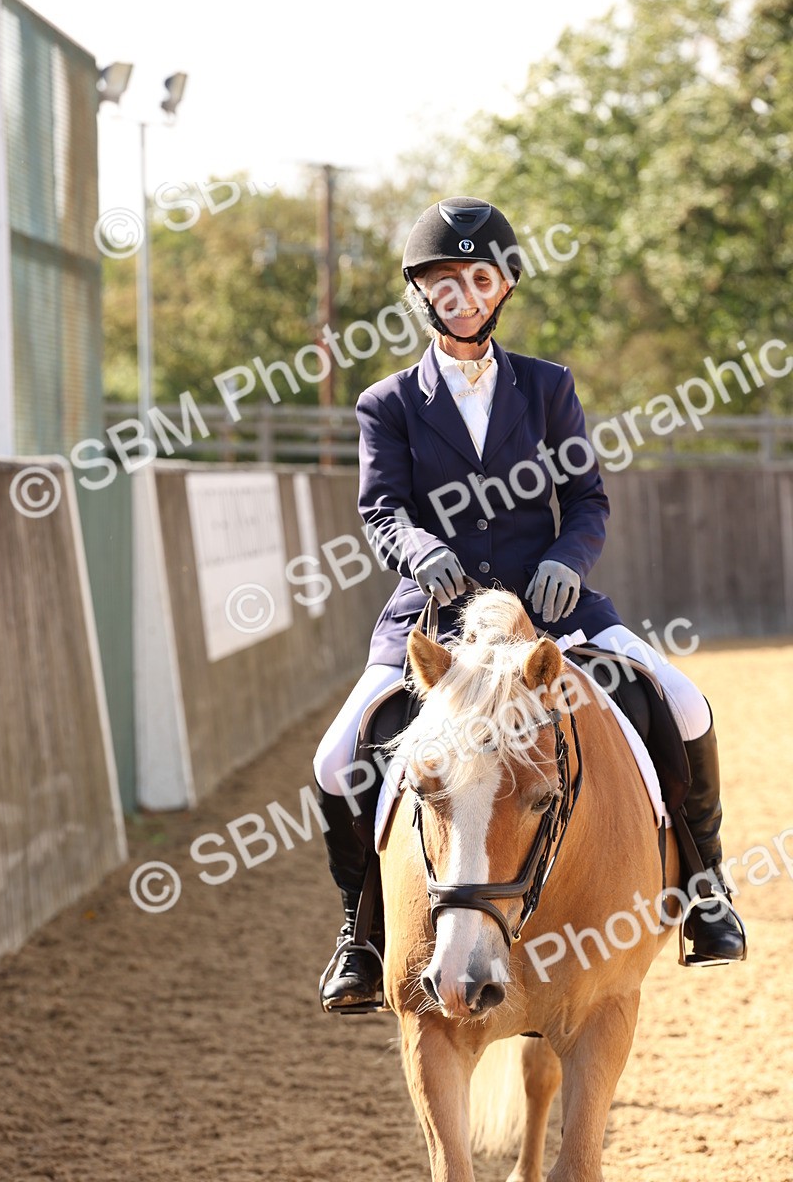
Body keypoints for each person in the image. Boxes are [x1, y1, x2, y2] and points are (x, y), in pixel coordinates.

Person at [314, 196, 744, 1010]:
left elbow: (587, 498)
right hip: (432, 623)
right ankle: (360, 935)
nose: (465, 295)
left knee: (683, 705)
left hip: (553, 611)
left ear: (503, 287)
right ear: (424, 294)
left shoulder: (548, 388)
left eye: (480, 278)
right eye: (447, 282)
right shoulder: (389, 403)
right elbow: (381, 510)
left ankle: (707, 891)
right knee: (336, 760)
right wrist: (419, 549)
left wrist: (566, 563)